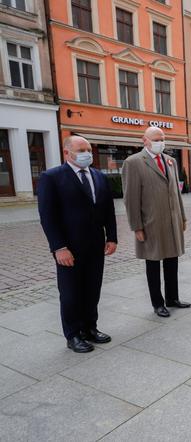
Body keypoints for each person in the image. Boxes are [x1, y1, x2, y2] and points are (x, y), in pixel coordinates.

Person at [37, 136, 117, 353]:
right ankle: (73, 335)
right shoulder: (52, 177)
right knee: (71, 293)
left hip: (95, 245)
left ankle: (90, 327)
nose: (86, 153)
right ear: (66, 153)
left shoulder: (99, 176)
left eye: (88, 149)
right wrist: (59, 247)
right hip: (69, 248)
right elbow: (48, 216)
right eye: (81, 149)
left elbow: (108, 210)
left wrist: (112, 237)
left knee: (93, 289)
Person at [122, 127, 190, 317]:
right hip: (151, 222)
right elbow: (131, 198)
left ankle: (172, 298)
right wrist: (136, 226)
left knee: (172, 260)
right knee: (153, 263)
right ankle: (157, 303)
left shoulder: (171, 161)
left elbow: (176, 193)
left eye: (163, 138)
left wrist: (182, 217)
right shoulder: (133, 162)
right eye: (156, 139)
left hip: (172, 221)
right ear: (145, 140)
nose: (161, 142)